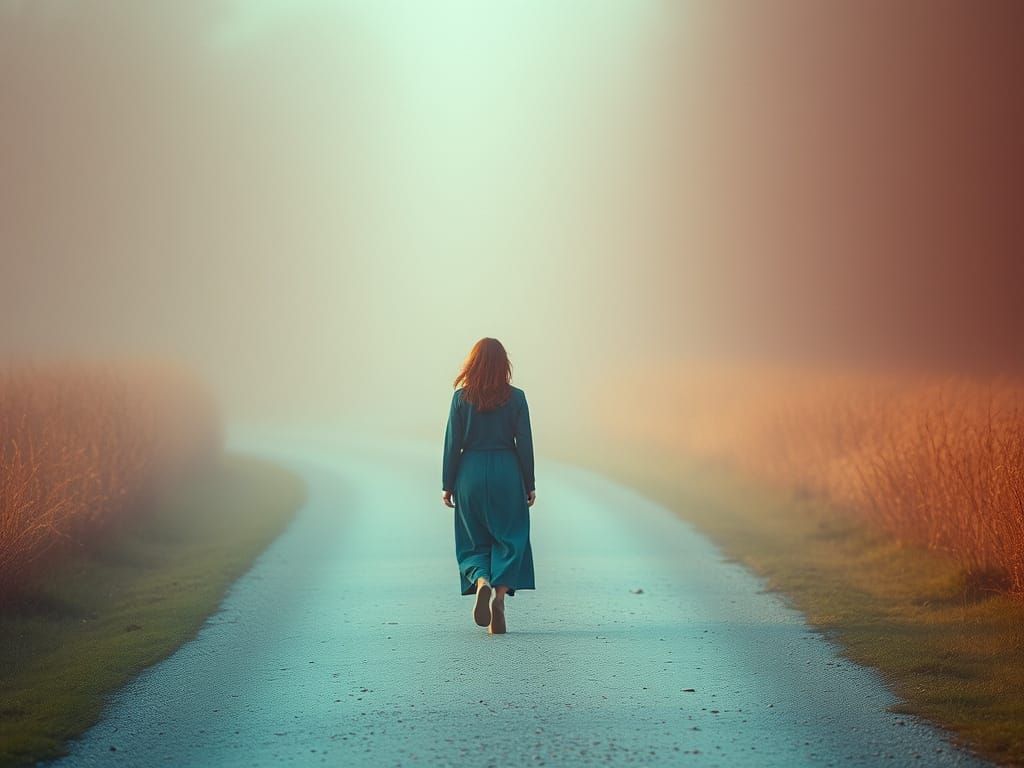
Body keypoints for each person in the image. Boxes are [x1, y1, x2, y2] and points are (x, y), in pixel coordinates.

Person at [441, 337, 536, 635]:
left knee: (473, 541)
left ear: (474, 363)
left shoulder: (461, 398)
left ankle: (481, 579)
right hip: (507, 473)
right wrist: (529, 482)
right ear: (503, 365)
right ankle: (498, 598)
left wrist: (448, 483)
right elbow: (525, 444)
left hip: (469, 473)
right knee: (512, 537)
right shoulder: (517, 398)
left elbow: (452, 443)